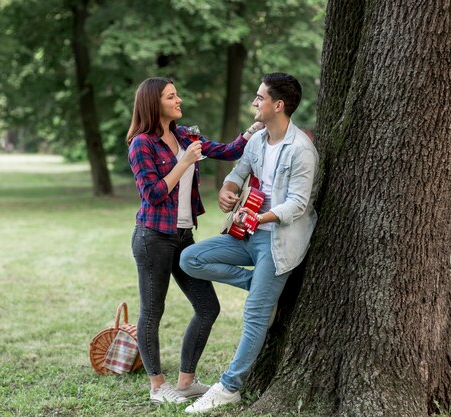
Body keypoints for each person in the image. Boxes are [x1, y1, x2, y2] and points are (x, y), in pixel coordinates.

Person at [179, 73, 319, 414]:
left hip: (279, 239)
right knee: (190, 259)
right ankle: (263, 288)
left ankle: (229, 387)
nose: (255, 103)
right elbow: (237, 174)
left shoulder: (301, 148)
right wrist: (228, 191)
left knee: (255, 315)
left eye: (260, 98)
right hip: (247, 234)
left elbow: (298, 205)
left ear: (278, 105)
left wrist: (260, 218)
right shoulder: (257, 141)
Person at [127, 76, 263, 405]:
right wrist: (183, 162)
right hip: (153, 238)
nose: (179, 100)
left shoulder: (186, 135)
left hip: (184, 237)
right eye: (172, 97)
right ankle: (158, 386)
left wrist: (253, 129)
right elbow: (154, 194)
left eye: (177, 95)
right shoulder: (141, 144)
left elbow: (230, 151)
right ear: (153, 103)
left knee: (207, 307)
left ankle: (186, 381)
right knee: (152, 310)